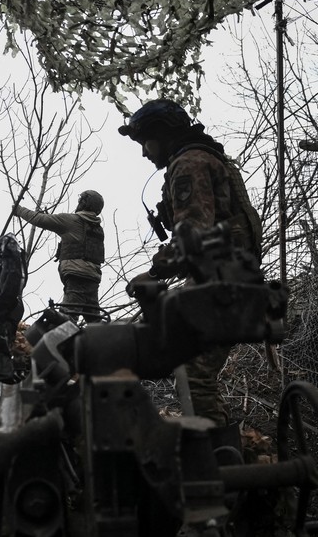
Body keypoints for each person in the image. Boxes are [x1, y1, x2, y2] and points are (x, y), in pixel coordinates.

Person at [119, 99, 262, 426]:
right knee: (190, 363)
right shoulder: (205, 156)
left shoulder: (189, 164)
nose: (144, 152)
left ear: (163, 133)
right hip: (228, 277)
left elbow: (192, 237)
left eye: (145, 141)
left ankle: (216, 463)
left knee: (193, 370)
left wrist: (154, 271)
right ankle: (223, 447)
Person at [14, 191, 105, 323]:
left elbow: (39, 219)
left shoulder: (72, 221)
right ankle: (104, 341)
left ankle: (61, 343)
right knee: (95, 322)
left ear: (84, 203)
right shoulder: (97, 228)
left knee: (66, 321)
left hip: (76, 277)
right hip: (93, 278)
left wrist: (19, 210)